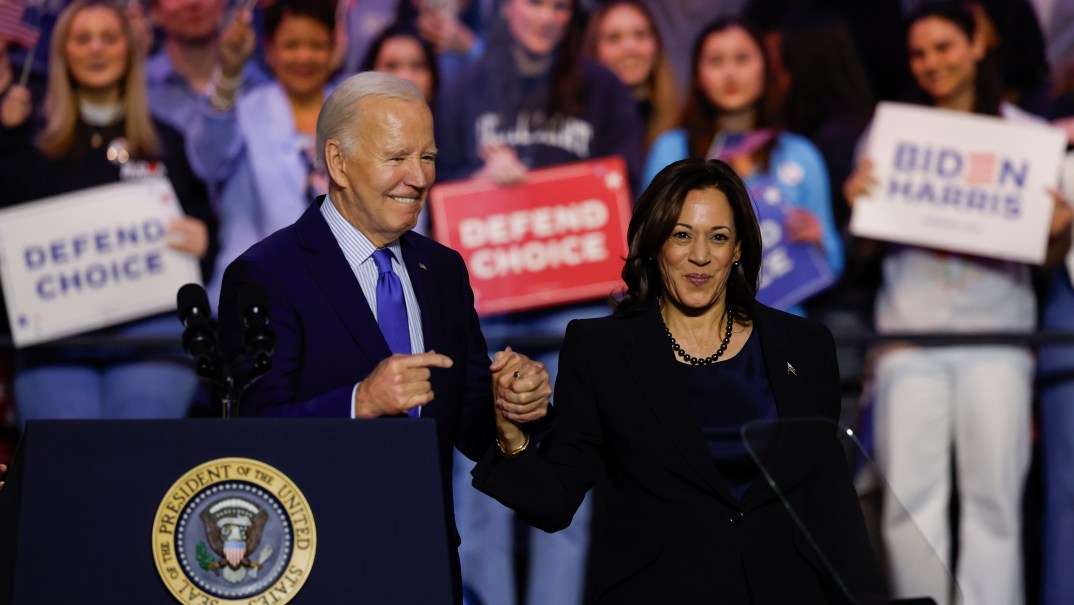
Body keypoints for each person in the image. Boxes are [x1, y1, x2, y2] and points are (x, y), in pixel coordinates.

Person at [472, 157, 884, 603]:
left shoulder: (803, 345)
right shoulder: (600, 349)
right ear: (654, 243)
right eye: (681, 235)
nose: (700, 256)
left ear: (740, 247)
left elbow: (831, 506)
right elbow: (553, 502)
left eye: (718, 237)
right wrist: (512, 434)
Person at [216, 71, 551, 604]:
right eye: (397, 158)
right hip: (313, 568)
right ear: (338, 162)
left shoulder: (441, 270)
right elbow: (252, 437)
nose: (418, 178)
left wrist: (509, 408)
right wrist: (360, 401)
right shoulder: (266, 274)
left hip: (424, 563)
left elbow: (467, 420)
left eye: (429, 158)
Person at [842, 2, 1073, 604]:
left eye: (944, 47)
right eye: (919, 54)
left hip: (997, 339)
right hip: (907, 339)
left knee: (992, 504)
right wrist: (857, 203)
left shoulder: (1029, 138)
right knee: (907, 506)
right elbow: (864, 247)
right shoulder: (890, 134)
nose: (931, 64)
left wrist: (1061, 228)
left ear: (978, 44)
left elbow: (1045, 257)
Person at [0, 0, 214, 424]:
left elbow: (204, 229)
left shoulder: (165, 141)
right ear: (63, 53)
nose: (96, 49)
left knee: (136, 455)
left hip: (152, 330)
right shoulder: (25, 141)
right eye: (82, 39)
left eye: (109, 38)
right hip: (53, 335)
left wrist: (201, 239)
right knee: (63, 457)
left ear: (129, 49)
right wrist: (4, 137)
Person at [643, 18, 842, 316]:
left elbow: (834, 263)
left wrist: (817, 239)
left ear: (766, 68)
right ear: (697, 75)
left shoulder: (800, 153)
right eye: (715, 61)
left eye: (742, 58)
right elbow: (646, 246)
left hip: (781, 323)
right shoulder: (671, 149)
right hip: (689, 323)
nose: (730, 73)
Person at [186, 0, 337, 306]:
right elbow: (207, 163)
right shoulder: (243, 110)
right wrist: (229, 74)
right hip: (256, 301)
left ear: (334, 48)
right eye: (291, 45)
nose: (304, 56)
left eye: (317, 45)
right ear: (269, 49)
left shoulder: (358, 110)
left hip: (342, 300)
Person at [145, 0, 268, 136]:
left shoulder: (262, 85)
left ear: (223, 3)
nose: (193, 3)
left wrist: (231, 74)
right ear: (155, 10)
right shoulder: (138, 86)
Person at [582, 0, 679, 152]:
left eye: (640, 35)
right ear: (594, 49)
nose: (630, 47)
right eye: (614, 38)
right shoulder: (577, 122)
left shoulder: (681, 124)